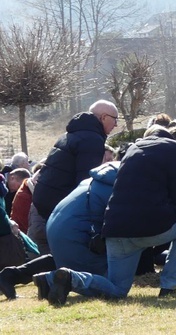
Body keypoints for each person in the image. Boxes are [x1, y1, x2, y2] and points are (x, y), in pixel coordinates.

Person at [33, 125, 176, 305]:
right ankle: (169, 286)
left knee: (117, 289)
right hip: (147, 226)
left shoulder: (133, 149)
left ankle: (68, 278)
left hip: (114, 228)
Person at [0, 162, 119, 300]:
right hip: (62, 226)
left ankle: (17, 276)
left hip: (58, 222)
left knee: (62, 257)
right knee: (81, 262)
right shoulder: (106, 182)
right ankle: (39, 278)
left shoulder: (86, 179)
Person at [30, 100, 119, 253]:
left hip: (43, 202)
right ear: (104, 117)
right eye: (115, 119)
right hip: (60, 205)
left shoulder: (70, 134)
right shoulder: (92, 140)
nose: (116, 125)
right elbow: (86, 183)